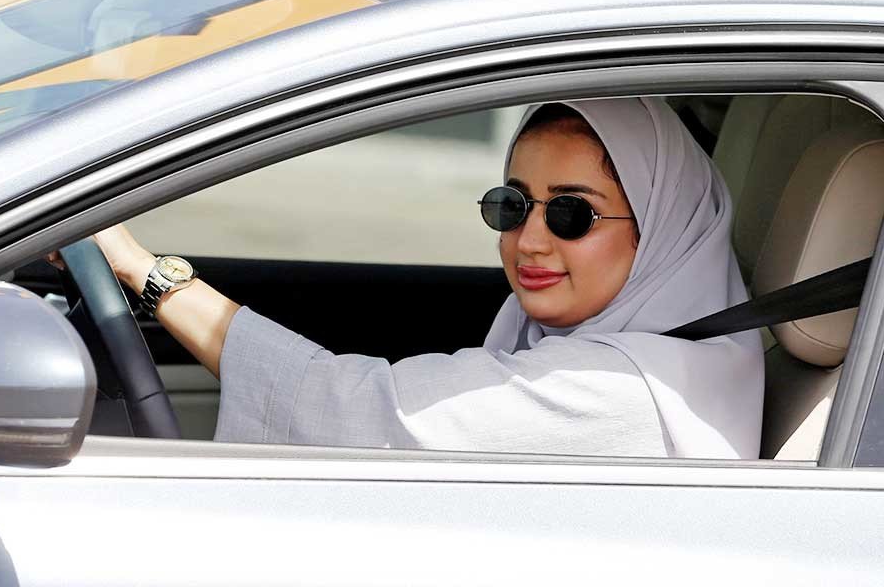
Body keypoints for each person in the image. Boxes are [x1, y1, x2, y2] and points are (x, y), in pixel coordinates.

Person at [86, 97, 763, 459]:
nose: (528, 239)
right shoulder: (659, 365)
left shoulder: (624, 393)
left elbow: (360, 415)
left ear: (662, 229)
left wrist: (142, 269)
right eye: (513, 204)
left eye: (570, 214)